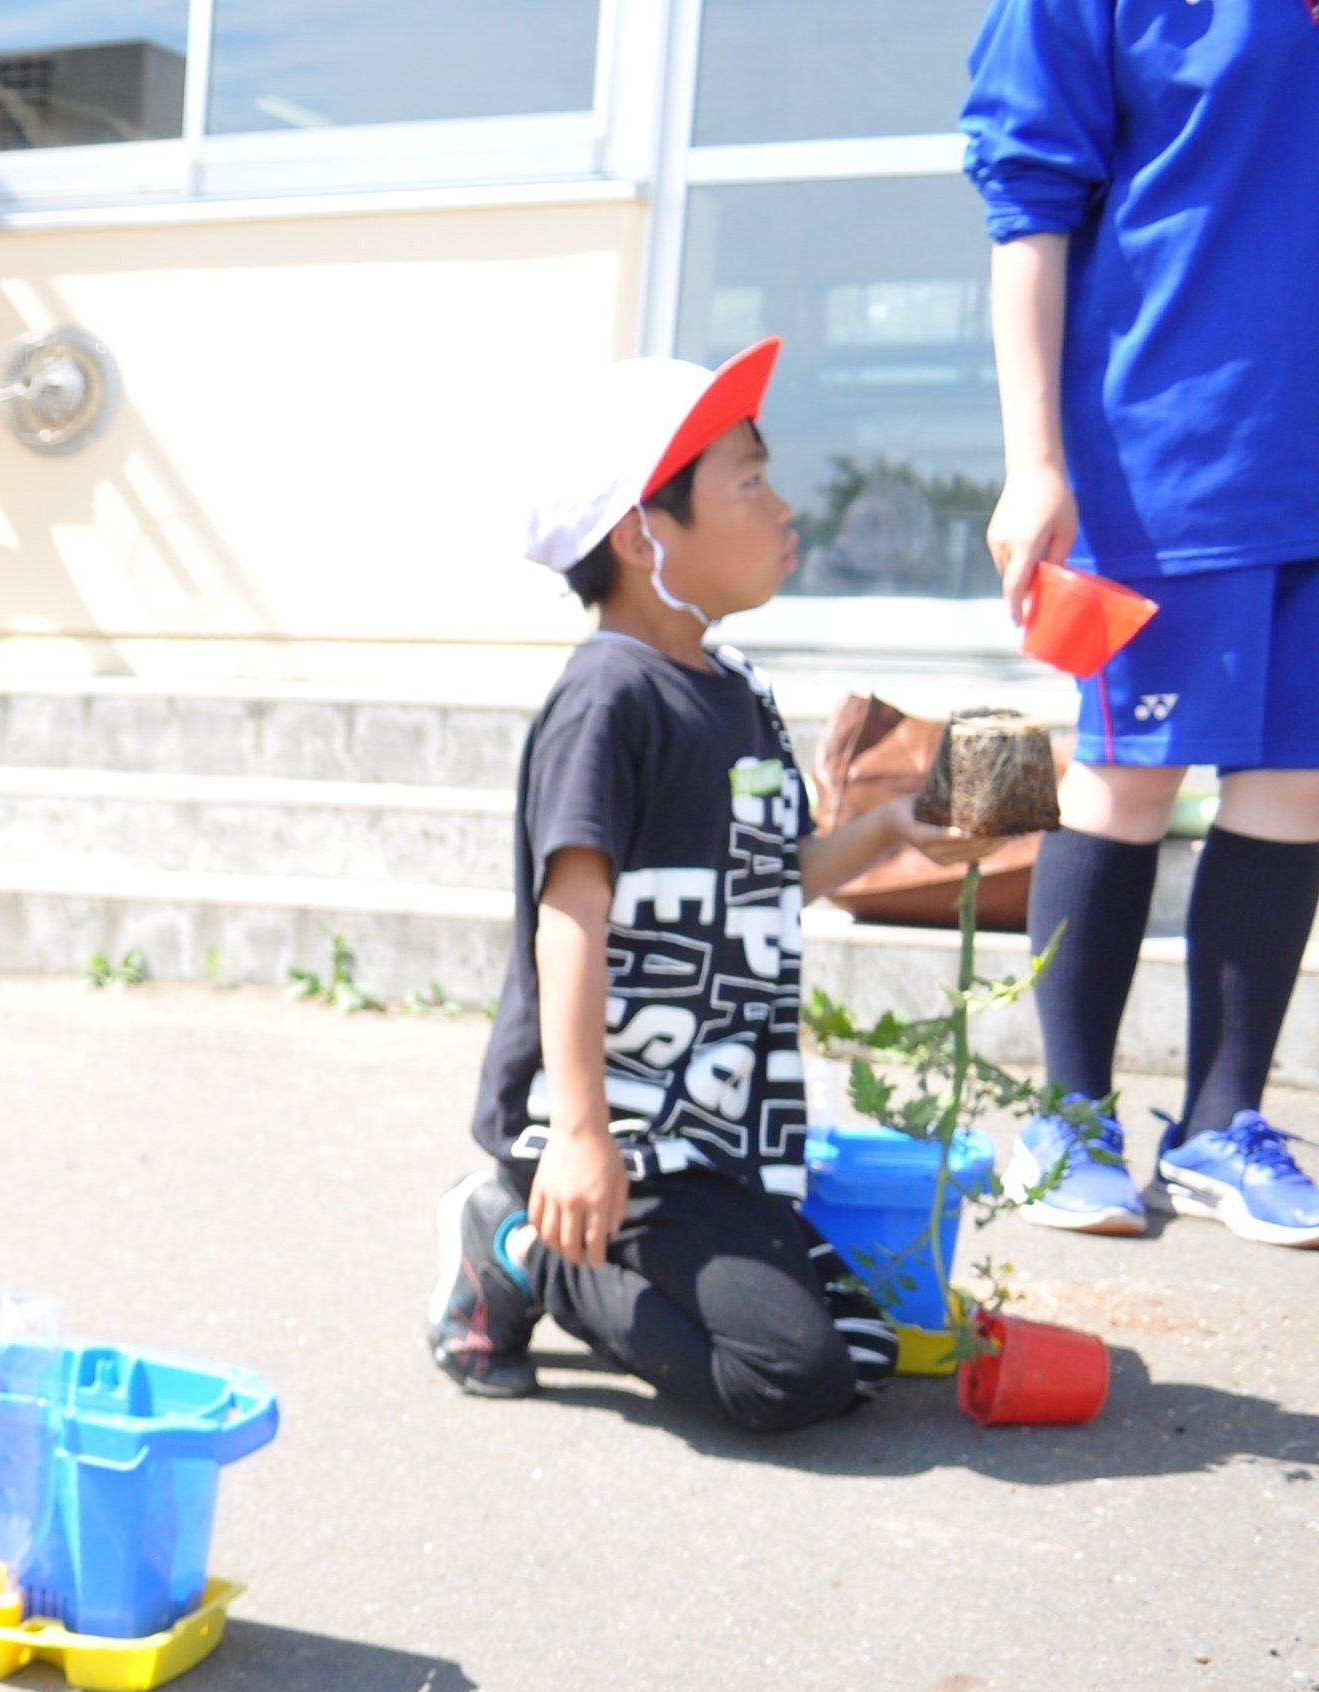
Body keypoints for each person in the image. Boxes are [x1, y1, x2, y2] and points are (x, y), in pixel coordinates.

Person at [429, 341, 972, 1430]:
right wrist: (581, 1131)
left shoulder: (739, 694)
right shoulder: (607, 700)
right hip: (622, 1136)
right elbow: (568, 917)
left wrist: (884, 832)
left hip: (717, 1133)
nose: (782, 507)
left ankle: (580, 1244)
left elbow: (765, 884)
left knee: (862, 1351)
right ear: (642, 535)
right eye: (750, 480)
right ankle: (527, 1241)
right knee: (788, 1376)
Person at [968, 0, 1319, 1246]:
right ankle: (1065, 1119)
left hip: (1307, 461)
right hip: (1169, 457)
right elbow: (1027, 208)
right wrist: (1032, 461)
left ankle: (1222, 1124)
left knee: (1295, 787)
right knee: (1127, 778)